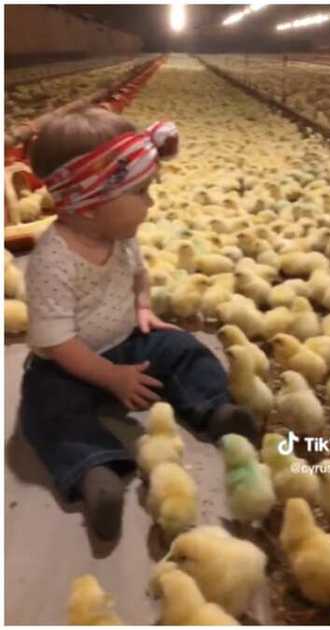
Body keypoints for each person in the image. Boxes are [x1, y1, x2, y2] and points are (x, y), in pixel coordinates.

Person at [19, 106, 260, 541]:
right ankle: (94, 471)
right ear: (89, 205)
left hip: (127, 338)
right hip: (67, 363)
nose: (151, 202)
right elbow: (56, 343)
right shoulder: (52, 261)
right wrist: (111, 377)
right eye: (142, 192)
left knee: (183, 348)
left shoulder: (121, 237)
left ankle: (215, 408)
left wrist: (144, 309)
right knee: (44, 408)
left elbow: (139, 275)